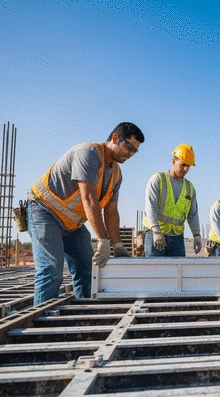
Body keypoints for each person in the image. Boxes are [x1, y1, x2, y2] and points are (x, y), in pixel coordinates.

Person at [27, 122, 145, 305]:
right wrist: (103, 241)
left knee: (88, 269)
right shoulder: (88, 154)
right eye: (128, 147)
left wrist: (118, 244)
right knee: (51, 271)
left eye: (134, 151)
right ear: (115, 138)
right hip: (44, 212)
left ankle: (83, 312)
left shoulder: (116, 174)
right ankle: (41, 330)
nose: (130, 154)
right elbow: (89, 198)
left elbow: (111, 211)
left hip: (72, 223)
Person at [143, 143, 202, 257]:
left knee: (177, 272)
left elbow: (193, 214)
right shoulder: (158, 180)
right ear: (173, 162)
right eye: (182, 165)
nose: (185, 169)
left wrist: (197, 235)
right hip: (156, 234)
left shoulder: (189, 188)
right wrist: (156, 231)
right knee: (155, 271)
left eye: (188, 166)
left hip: (177, 237)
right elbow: (151, 206)